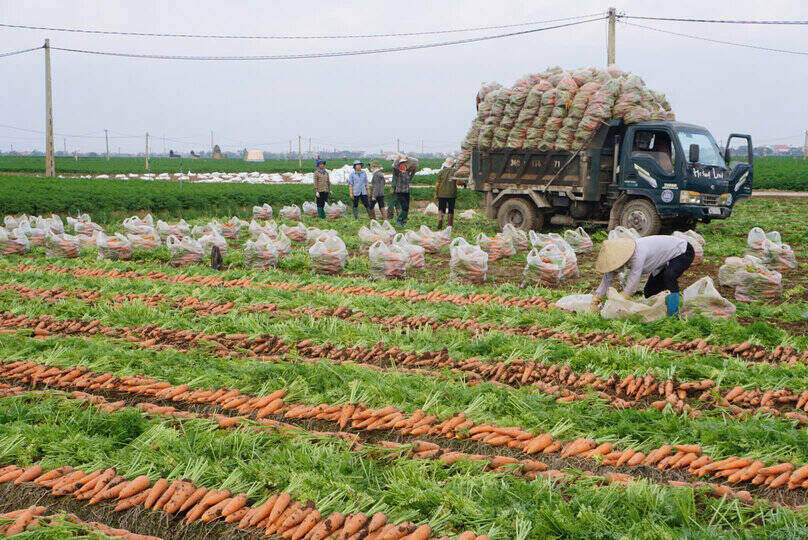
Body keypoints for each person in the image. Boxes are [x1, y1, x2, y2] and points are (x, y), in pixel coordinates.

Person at [591, 235, 695, 317]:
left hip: (682, 251)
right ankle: (660, 312)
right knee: (649, 291)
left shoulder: (637, 255)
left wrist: (620, 300)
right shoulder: (616, 258)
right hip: (662, 261)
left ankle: (674, 313)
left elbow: (632, 284)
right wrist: (597, 297)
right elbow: (608, 277)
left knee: (669, 276)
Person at [434, 157, 458, 229]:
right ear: (453, 164)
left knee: (441, 208)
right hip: (451, 193)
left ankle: (440, 220)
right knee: (451, 209)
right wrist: (463, 184)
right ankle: (450, 225)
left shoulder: (441, 172)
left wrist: (436, 193)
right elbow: (459, 182)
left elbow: (437, 184)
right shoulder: (455, 172)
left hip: (441, 193)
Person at [392, 156, 412, 227]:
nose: (403, 166)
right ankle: (399, 220)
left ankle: (404, 222)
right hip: (400, 192)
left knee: (407, 207)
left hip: (407, 192)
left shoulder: (407, 173)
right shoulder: (398, 173)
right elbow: (394, 166)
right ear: (399, 166)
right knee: (404, 206)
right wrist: (398, 159)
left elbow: (414, 167)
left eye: (404, 164)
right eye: (401, 164)